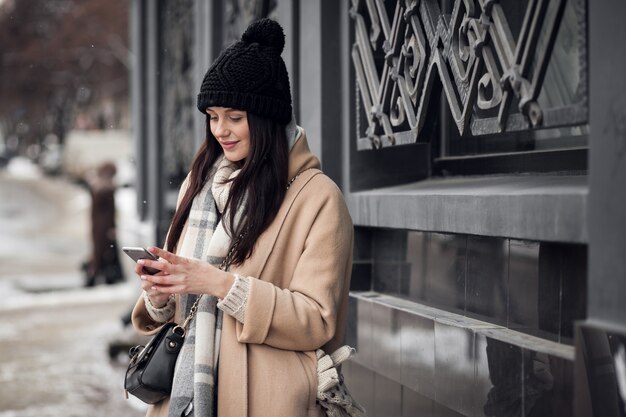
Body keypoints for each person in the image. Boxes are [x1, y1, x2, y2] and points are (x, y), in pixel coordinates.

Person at [131, 18, 354, 417]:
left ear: (267, 118)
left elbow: (317, 320)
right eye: (213, 116)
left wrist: (221, 285)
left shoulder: (318, 198)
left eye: (234, 117)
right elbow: (180, 308)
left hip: (268, 400)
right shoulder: (197, 186)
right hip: (187, 398)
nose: (220, 130)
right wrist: (160, 294)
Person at [83, 161, 124, 286]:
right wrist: (111, 228)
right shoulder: (107, 189)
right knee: (105, 252)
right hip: (104, 226)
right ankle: (95, 276)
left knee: (99, 252)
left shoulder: (97, 186)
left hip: (97, 225)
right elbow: (109, 213)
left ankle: (94, 275)